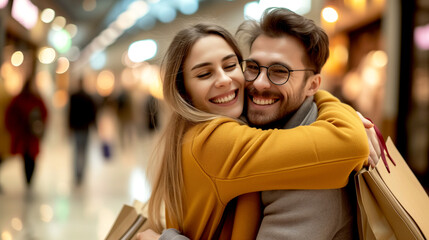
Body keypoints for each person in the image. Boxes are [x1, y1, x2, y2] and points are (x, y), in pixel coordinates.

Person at [136, 21, 372, 239]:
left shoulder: (204, 131)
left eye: (230, 65)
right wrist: (333, 105)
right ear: (184, 90)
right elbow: (351, 142)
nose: (224, 80)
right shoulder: (217, 140)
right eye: (204, 74)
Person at [5, 77, 48, 187]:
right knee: (28, 157)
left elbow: (45, 114)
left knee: (30, 157)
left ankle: (29, 179)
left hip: (31, 134)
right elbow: (11, 115)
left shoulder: (33, 99)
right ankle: (28, 179)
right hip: (26, 134)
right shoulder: (27, 99)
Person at [68, 78, 97, 185]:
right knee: (83, 151)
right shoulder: (88, 97)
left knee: (77, 151)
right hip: (85, 128)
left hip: (77, 128)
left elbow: (70, 113)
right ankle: (81, 174)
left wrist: (69, 127)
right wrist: (94, 126)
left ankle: (77, 173)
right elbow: (93, 114)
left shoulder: (74, 97)